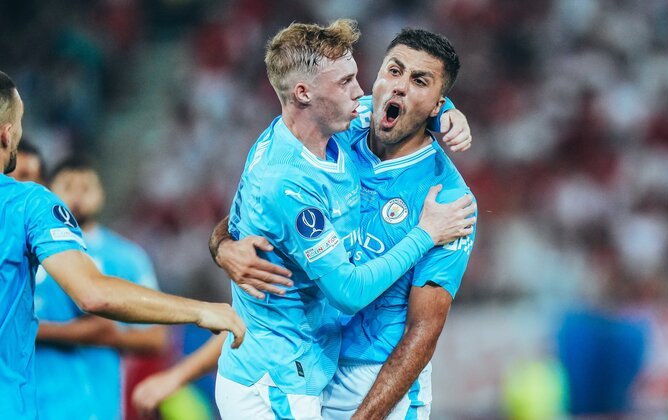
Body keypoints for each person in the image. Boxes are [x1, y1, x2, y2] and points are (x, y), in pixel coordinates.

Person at [133, 23, 476, 420]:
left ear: (438, 104)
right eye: (393, 70)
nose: (398, 87)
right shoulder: (342, 124)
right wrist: (223, 247)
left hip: (379, 381)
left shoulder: (448, 202)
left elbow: (423, 333)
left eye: (419, 81)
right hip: (310, 367)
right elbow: (262, 212)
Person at [0, 70, 245, 419]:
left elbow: (150, 339)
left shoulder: (123, 254)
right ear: (7, 133)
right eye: (20, 122)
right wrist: (201, 310)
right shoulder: (27, 204)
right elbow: (93, 294)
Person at [38, 156, 170, 420]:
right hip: (34, 403)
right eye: (68, 186)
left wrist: (96, 333)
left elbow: (155, 338)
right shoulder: (32, 251)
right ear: (49, 190)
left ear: (101, 194)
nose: (77, 197)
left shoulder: (125, 257)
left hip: (96, 406)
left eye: (86, 188)